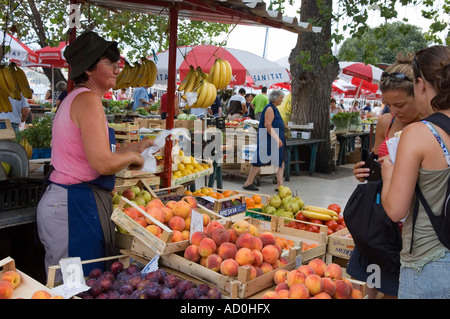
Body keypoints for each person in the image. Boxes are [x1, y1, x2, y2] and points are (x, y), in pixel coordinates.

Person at [36, 31, 154, 283]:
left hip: (72, 203)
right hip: (71, 206)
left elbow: (98, 152)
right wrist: (134, 156)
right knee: (73, 286)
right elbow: (102, 163)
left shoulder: (79, 99)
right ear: (89, 69)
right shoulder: (88, 100)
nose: (117, 69)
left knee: (81, 283)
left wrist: (138, 145)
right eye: (110, 64)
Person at [351, 53, 428, 299]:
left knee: (397, 284)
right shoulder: (386, 121)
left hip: (410, 220)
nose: (394, 110)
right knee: (374, 273)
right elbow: (375, 160)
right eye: (388, 103)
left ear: (419, 93)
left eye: (401, 105)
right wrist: (363, 171)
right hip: (378, 216)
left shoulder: (431, 128)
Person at [381, 45, 450, 299]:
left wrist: (388, 173)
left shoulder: (420, 133)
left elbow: (396, 210)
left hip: (429, 262)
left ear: (420, 84)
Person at [243, 90, 286, 191]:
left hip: (274, 138)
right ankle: (248, 182)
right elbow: (267, 124)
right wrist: (277, 138)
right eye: (281, 98)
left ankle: (280, 185)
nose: (282, 100)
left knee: (280, 160)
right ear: (275, 98)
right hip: (269, 138)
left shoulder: (274, 108)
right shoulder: (269, 108)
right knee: (260, 159)